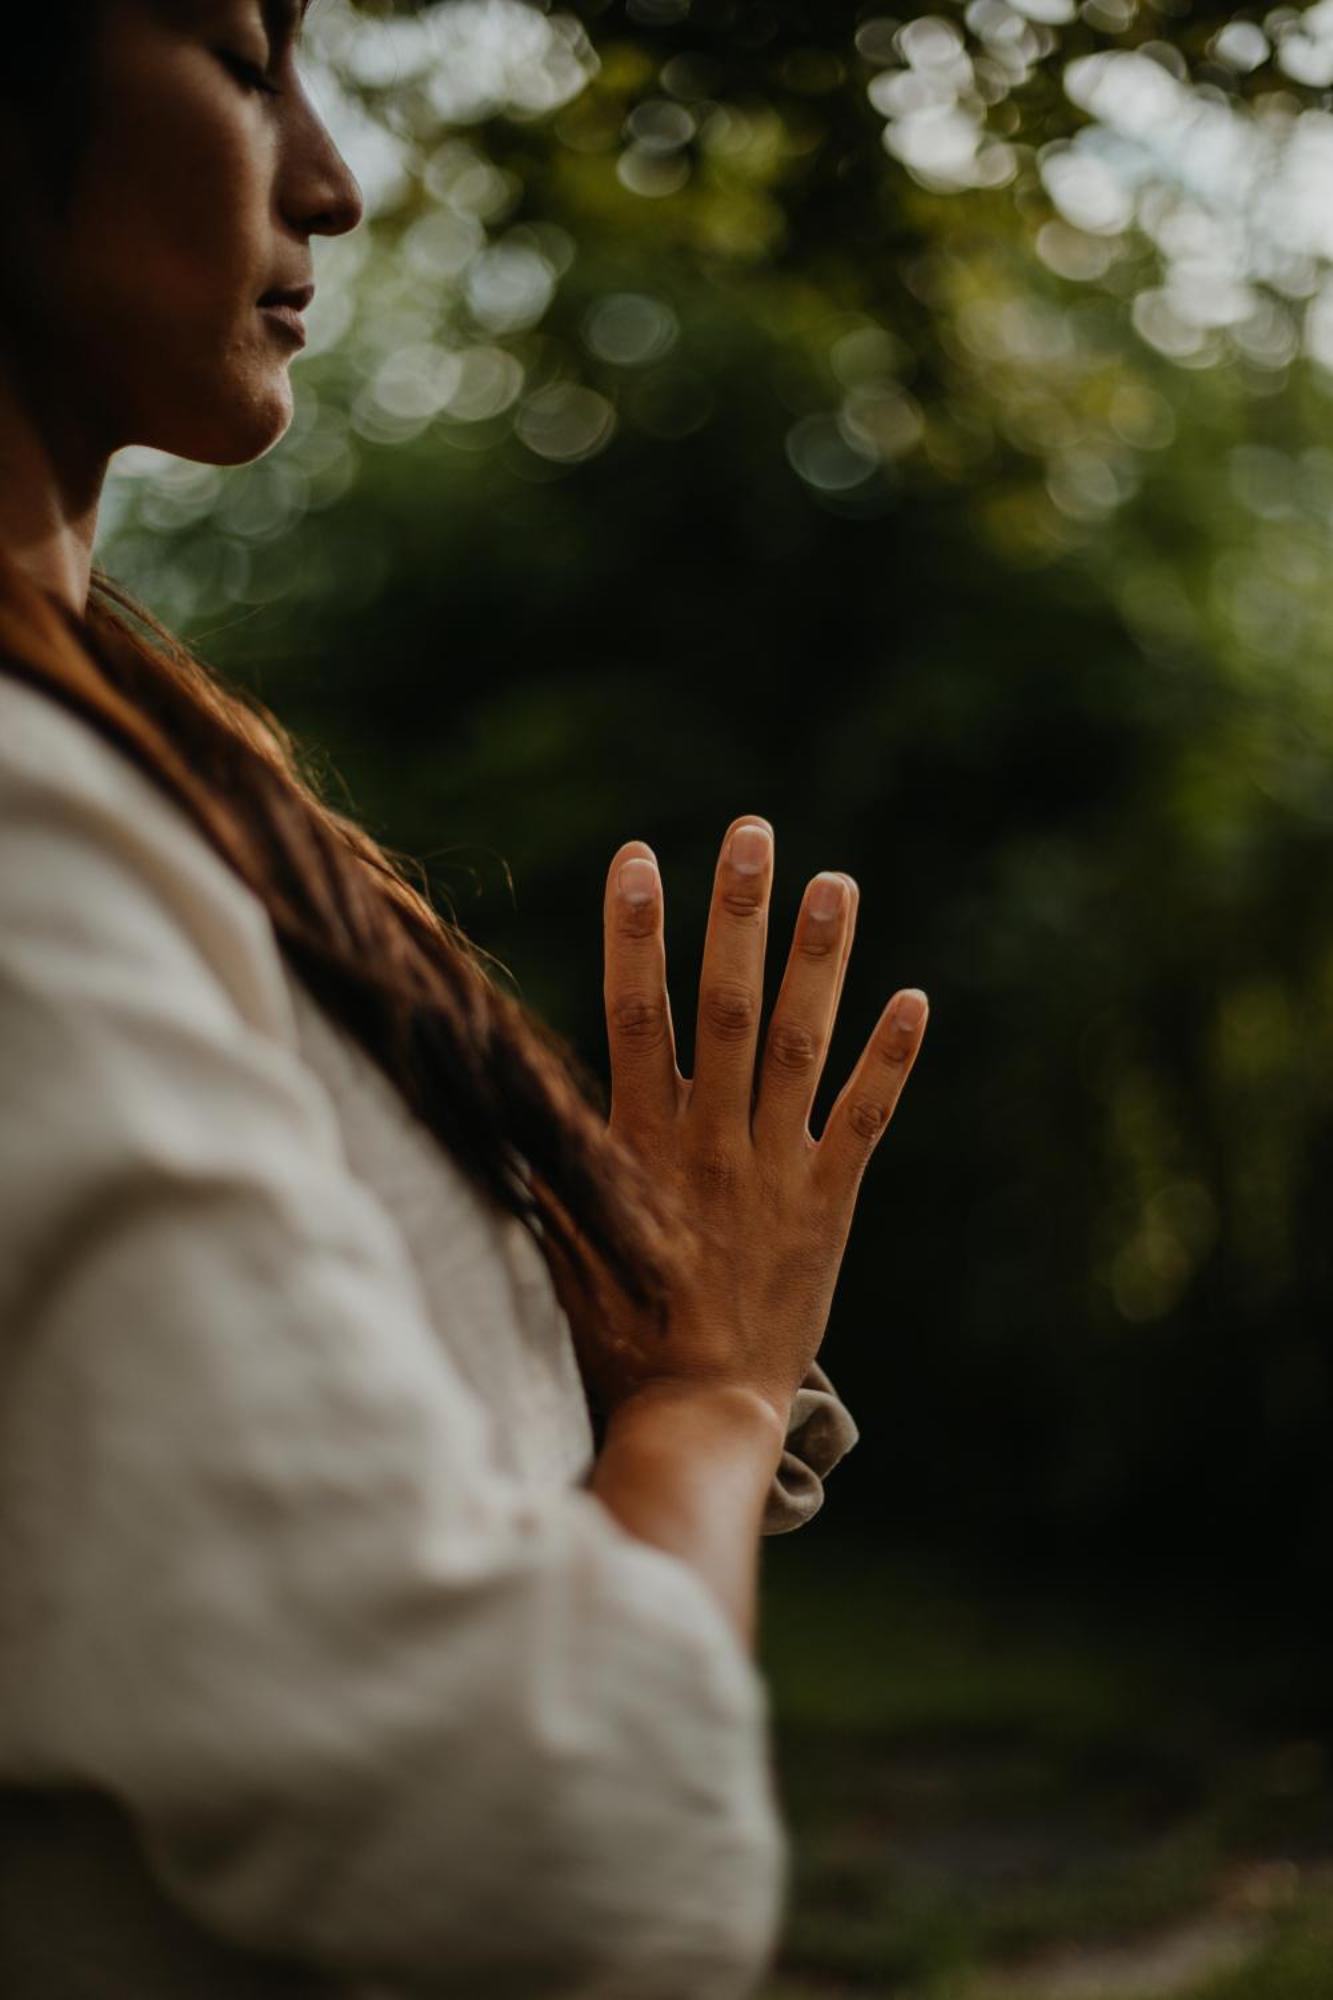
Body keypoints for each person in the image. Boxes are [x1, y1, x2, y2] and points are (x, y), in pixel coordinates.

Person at [0, 2, 930, 1995]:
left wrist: (582, 1346)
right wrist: (708, 1390)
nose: (326, 177)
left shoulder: (124, 765)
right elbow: (567, 1859)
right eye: (243, 61)